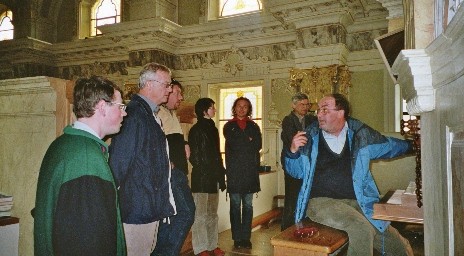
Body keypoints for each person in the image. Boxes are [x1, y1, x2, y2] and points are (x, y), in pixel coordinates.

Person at [285, 93, 414, 255]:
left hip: (360, 201)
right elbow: (295, 172)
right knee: (361, 230)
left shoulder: (361, 134)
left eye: (325, 110)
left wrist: (414, 146)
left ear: (341, 112)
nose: (319, 114)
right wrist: (292, 152)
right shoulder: (309, 136)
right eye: (318, 110)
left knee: (397, 245)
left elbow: (388, 146)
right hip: (322, 202)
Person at [34, 76, 127, 256]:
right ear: (102, 107)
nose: (124, 113)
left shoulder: (64, 143)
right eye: (120, 106)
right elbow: (88, 241)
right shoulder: (86, 158)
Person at [109, 62, 176, 255]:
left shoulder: (149, 114)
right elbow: (118, 164)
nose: (170, 89)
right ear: (149, 84)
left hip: (148, 205)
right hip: (137, 209)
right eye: (166, 84)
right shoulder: (134, 115)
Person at [152, 79, 195, 256]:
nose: (181, 97)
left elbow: (172, 137)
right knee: (186, 213)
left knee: (171, 219)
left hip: (178, 173)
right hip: (171, 174)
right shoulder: (157, 112)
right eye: (177, 93)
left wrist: (184, 142)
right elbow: (154, 142)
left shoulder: (171, 113)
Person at [188, 98, 226, 256]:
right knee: (200, 215)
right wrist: (207, 170)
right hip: (202, 178)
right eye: (212, 108)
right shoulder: (196, 130)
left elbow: (217, 154)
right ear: (204, 110)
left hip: (213, 178)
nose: (215, 110)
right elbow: (194, 157)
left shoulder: (213, 128)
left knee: (212, 214)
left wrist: (220, 174)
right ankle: (201, 248)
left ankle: (212, 245)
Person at [223, 97, 262, 250]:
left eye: (245, 106)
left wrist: (247, 141)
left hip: (250, 173)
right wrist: (249, 140)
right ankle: (237, 238)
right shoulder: (228, 126)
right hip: (234, 173)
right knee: (234, 206)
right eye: (239, 106)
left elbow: (258, 145)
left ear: (248, 109)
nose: (242, 109)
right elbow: (236, 144)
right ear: (234, 108)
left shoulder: (253, 126)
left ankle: (246, 237)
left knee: (247, 206)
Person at [280, 92, 317, 231]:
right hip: (293, 161)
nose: (305, 107)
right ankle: (287, 230)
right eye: (302, 104)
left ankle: (303, 227)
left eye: (307, 104)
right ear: (293, 105)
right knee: (292, 196)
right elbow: (293, 139)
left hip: (307, 163)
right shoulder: (288, 120)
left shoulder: (311, 120)